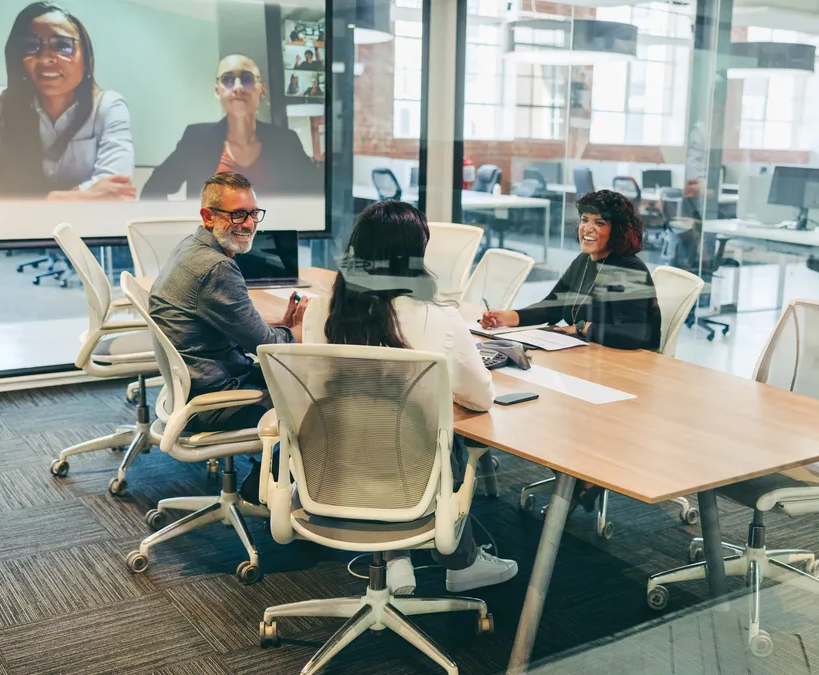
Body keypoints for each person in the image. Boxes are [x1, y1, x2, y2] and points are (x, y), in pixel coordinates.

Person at [302, 200, 519, 595]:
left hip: (331, 471)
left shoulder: (321, 312)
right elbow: (480, 399)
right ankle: (462, 564)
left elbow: (315, 393)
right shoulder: (440, 318)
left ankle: (395, 559)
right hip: (411, 481)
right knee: (433, 431)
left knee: (369, 421)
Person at [149, 171, 305, 435]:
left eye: (254, 213)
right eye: (237, 214)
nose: (248, 224)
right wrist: (300, 332)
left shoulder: (190, 247)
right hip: (215, 401)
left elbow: (230, 327)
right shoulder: (217, 268)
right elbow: (267, 347)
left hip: (192, 386)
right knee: (314, 402)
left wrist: (278, 326)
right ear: (208, 217)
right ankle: (265, 475)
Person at [0, 1, 134, 200]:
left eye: (62, 45)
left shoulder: (108, 107)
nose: (45, 58)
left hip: (90, 230)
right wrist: (61, 199)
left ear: (86, 57)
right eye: (31, 46)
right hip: (16, 230)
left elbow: (114, 192)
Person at [481, 189, 661, 351]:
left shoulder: (627, 269)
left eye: (599, 223)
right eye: (584, 220)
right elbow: (552, 306)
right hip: (592, 353)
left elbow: (630, 335)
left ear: (618, 231)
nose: (587, 229)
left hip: (630, 363)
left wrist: (582, 327)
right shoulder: (585, 260)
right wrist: (508, 317)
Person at [142, 54, 323, 199]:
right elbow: (152, 190)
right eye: (228, 79)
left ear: (262, 90)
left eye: (247, 79)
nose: (238, 87)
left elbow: (318, 196)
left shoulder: (286, 142)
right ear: (217, 91)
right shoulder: (196, 139)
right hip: (210, 245)